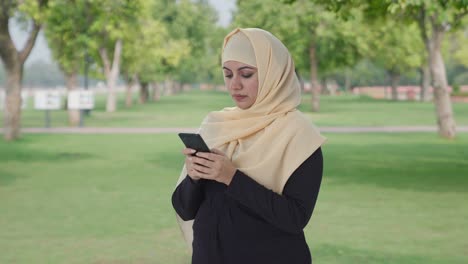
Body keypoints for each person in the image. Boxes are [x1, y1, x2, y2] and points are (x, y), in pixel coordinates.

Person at [171, 28, 326, 264]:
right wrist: (194, 176)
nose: (235, 85)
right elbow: (185, 209)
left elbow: (295, 218)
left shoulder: (298, 134)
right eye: (228, 74)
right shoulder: (217, 125)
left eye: (246, 74)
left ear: (273, 74)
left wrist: (231, 177)